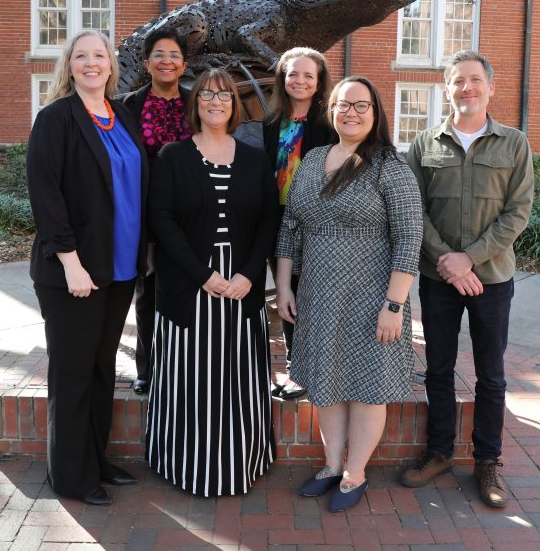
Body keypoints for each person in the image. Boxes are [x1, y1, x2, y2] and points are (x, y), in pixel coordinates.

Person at [275, 76, 423, 513]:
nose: (351, 112)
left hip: (373, 298)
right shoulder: (315, 158)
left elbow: (409, 236)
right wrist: (284, 286)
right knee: (328, 385)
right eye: (343, 104)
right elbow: (291, 226)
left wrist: (394, 305)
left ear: (375, 113)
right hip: (319, 294)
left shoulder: (389, 167)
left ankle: (355, 471)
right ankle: (329, 465)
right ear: (332, 111)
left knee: (367, 387)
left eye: (361, 105)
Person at [400, 51, 534, 509]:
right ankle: (439, 451)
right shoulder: (423, 144)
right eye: (458, 81)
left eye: (475, 80)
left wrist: (470, 260)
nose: (467, 88)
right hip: (438, 279)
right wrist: (448, 262)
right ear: (447, 88)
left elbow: (518, 212)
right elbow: (412, 211)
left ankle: (487, 461)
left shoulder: (514, 144)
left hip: (492, 279)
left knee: (490, 375)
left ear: (491, 87)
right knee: (438, 369)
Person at [26, 29, 147, 506]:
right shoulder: (56, 119)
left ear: (112, 66)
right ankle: (71, 476)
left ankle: (95, 459)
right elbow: (46, 197)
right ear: (69, 65)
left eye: (100, 55)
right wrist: (71, 263)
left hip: (119, 270)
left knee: (100, 369)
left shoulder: (123, 117)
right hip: (73, 273)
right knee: (73, 373)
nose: (91, 63)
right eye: (82, 56)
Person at [145, 68, 279, 496]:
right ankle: (185, 464)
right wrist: (203, 275)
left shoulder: (255, 159)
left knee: (239, 378)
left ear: (234, 106)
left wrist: (248, 274)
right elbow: (162, 222)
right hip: (189, 284)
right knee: (189, 378)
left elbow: (268, 222)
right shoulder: (172, 156)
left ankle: (242, 462)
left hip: (243, 283)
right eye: (207, 95)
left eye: (224, 96)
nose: (216, 102)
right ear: (195, 104)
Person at [118, 27, 192, 396]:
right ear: (147, 63)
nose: (167, 61)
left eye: (174, 55)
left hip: (189, 213)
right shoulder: (127, 106)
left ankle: (187, 365)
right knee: (147, 294)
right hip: (144, 212)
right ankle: (146, 367)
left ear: (184, 64)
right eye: (159, 55)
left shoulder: (198, 102)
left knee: (189, 288)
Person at [261, 47, 336, 400]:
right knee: (287, 293)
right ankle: (296, 368)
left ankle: (324, 369)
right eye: (294, 74)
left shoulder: (330, 123)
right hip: (278, 223)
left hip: (319, 223)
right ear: (283, 78)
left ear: (319, 82)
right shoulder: (272, 123)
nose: (300, 81)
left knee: (318, 295)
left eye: (308, 75)